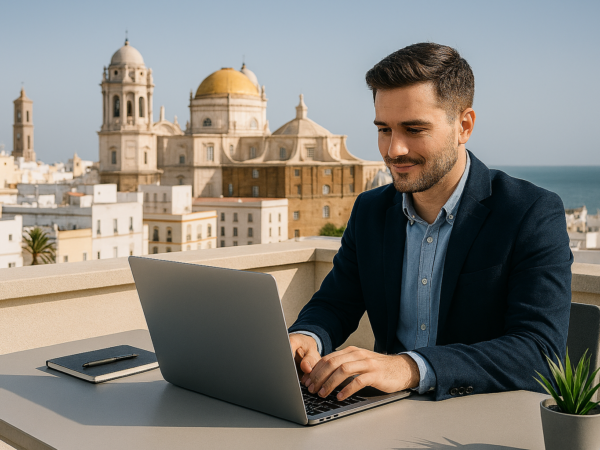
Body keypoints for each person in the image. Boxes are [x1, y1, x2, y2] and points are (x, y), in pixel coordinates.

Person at [288, 42, 572, 402]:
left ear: (463, 126)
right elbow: (335, 304)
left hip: (478, 419)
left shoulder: (531, 212)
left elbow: (538, 352)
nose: (393, 150)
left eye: (414, 129)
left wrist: (408, 367)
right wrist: (305, 338)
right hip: (382, 412)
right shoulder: (370, 211)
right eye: (384, 129)